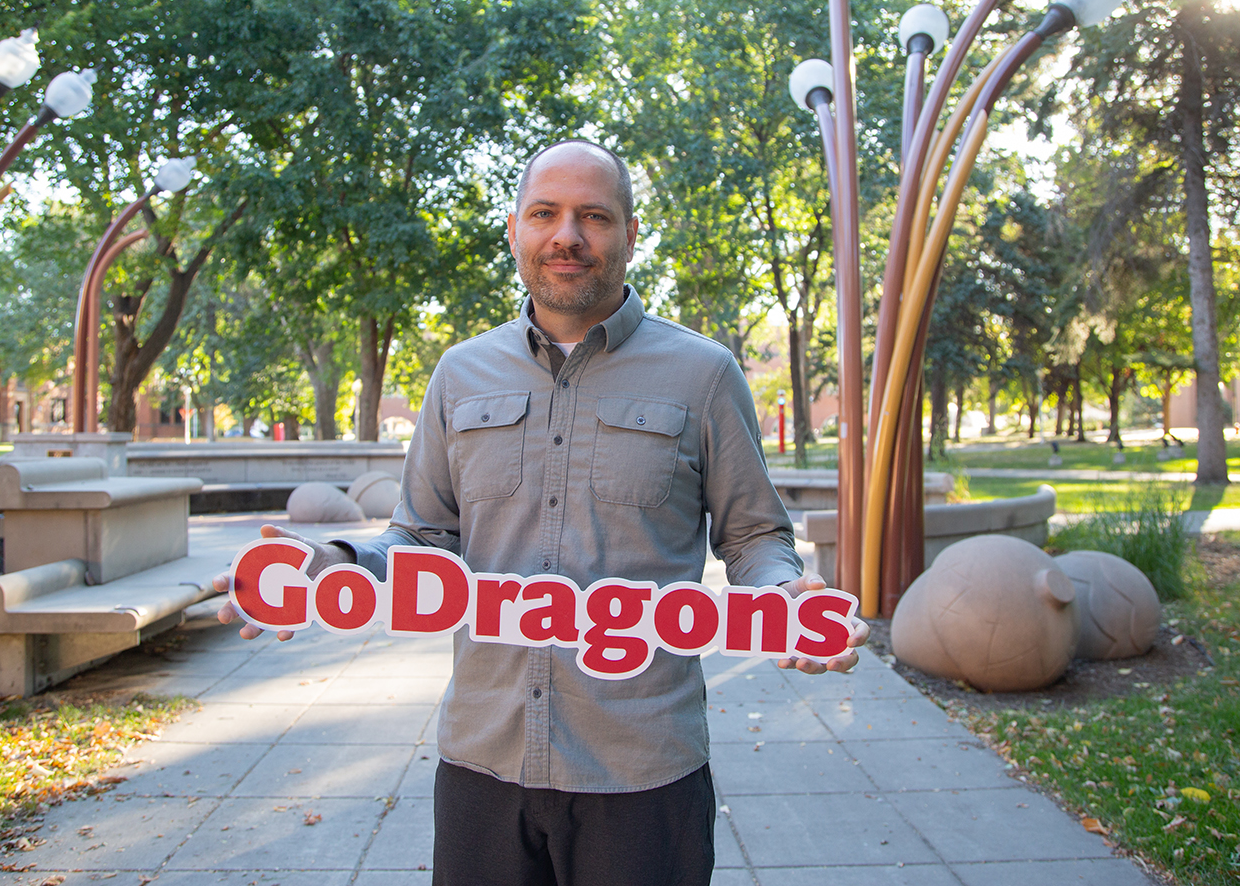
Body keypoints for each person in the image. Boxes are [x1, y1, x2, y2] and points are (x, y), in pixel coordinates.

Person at [214, 139, 869, 886]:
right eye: (545, 213)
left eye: (595, 216)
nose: (568, 235)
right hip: (482, 763)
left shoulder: (705, 375)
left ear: (629, 233)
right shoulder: (459, 374)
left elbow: (753, 536)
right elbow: (422, 535)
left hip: (642, 770)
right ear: (515, 229)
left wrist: (782, 598)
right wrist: (334, 563)